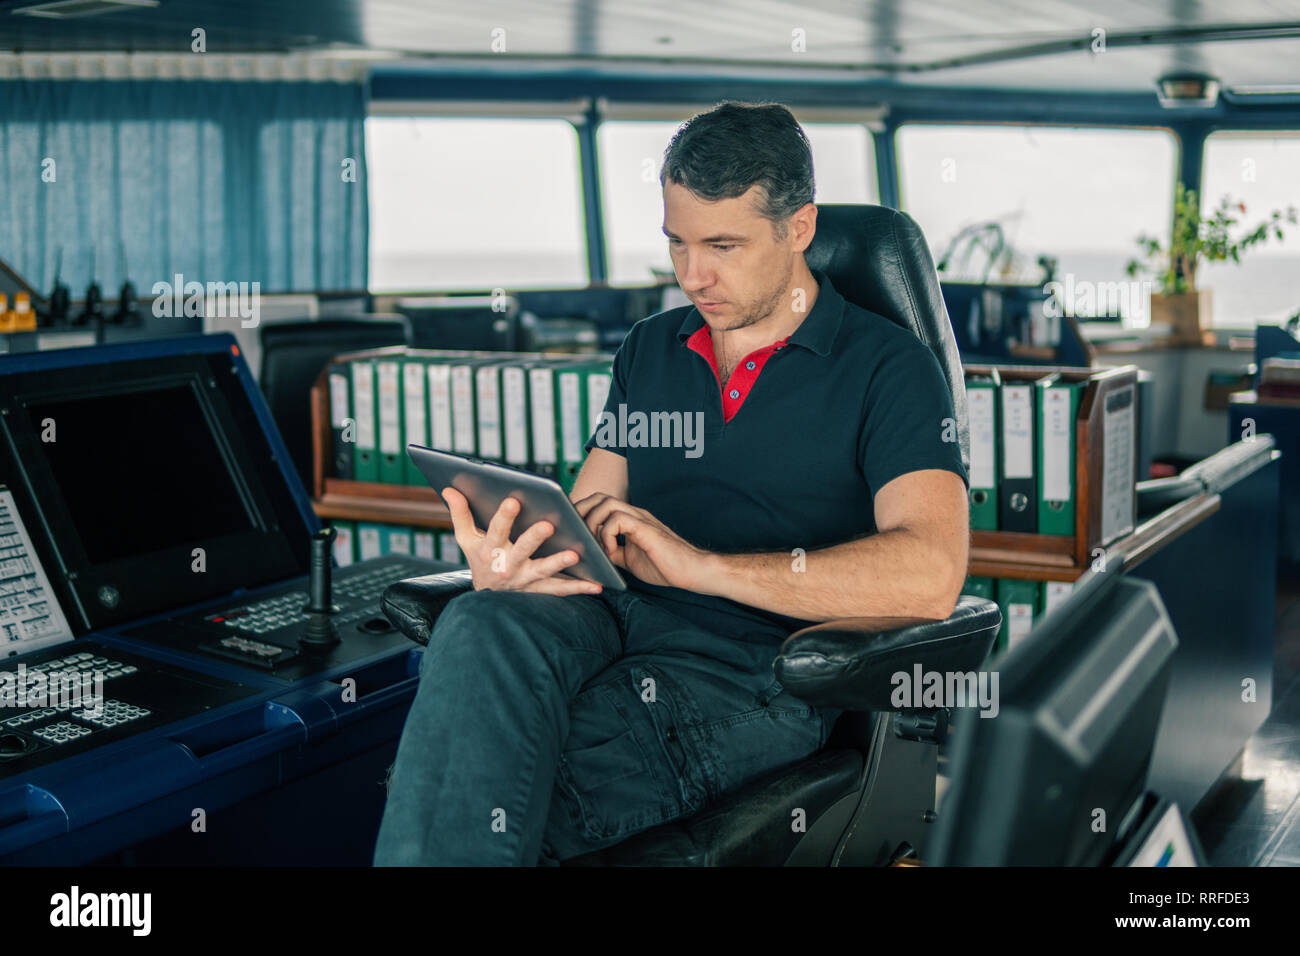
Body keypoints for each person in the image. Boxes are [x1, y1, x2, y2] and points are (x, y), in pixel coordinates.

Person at [373, 101, 969, 866]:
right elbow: (587, 517)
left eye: (723, 245)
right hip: (611, 618)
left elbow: (930, 578)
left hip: (753, 667)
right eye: (677, 244)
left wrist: (704, 567)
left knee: (483, 792)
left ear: (799, 228)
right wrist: (519, 564)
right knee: (478, 623)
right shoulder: (650, 346)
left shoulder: (888, 368)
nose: (693, 275)